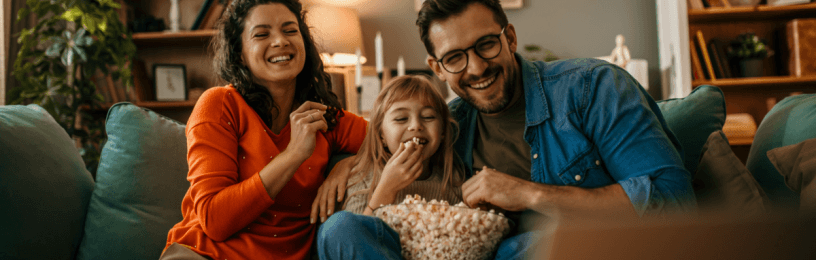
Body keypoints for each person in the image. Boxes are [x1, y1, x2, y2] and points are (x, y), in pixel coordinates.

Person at [416, 0, 697, 258]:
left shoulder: (593, 88)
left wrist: (530, 194)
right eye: (454, 58)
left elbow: (674, 201)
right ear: (437, 68)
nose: (476, 68)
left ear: (510, 38)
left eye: (487, 44)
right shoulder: (444, 131)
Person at [160, 0, 368, 259]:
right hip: (204, 254)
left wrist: (348, 166)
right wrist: (293, 155)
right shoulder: (220, 105)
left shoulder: (323, 117)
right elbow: (214, 220)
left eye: (290, 30)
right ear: (240, 54)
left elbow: (394, 139)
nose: (280, 41)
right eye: (261, 34)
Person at [316, 75, 466, 259]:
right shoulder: (362, 177)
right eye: (401, 118)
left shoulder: (452, 182)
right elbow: (353, 240)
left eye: (428, 117)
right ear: (381, 135)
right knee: (338, 226)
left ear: (443, 131)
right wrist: (387, 188)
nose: (416, 125)